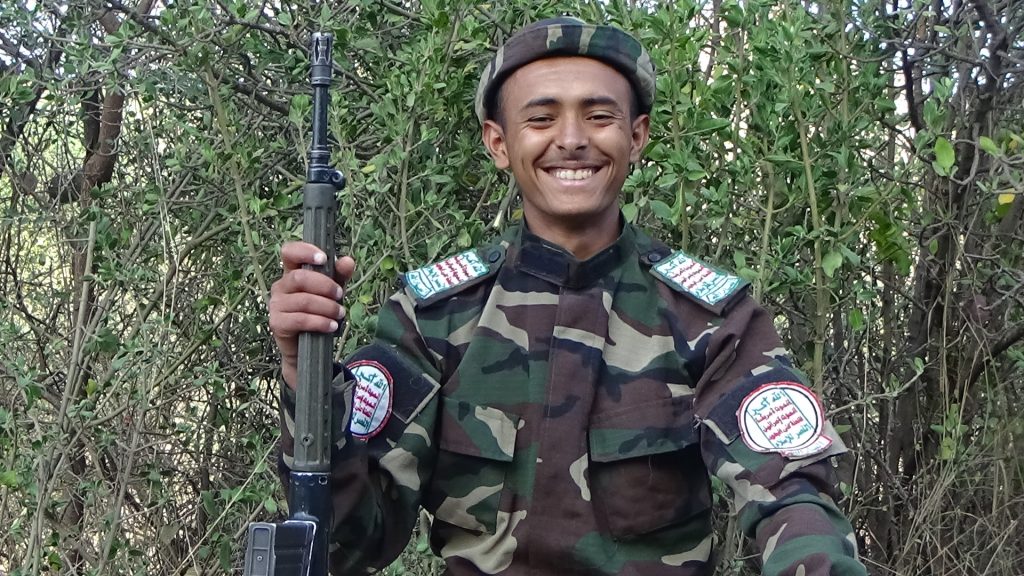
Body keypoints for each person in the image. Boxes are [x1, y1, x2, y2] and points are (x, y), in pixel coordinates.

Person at [269, 17, 867, 576]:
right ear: (499, 143)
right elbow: (351, 541)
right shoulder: (435, 318)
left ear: (636, 136)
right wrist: (305, 377)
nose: (573, 140)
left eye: (599, 116)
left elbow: (793, 494)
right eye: (541, 119)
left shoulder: (709, 318)